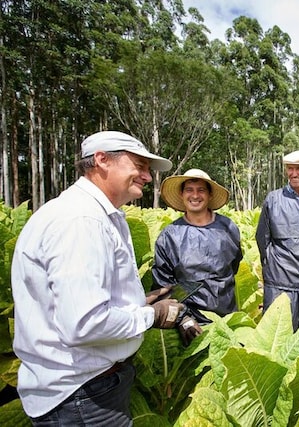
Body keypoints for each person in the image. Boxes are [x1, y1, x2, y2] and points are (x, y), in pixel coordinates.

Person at [11, 130, 185, 426]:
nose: (146, 176)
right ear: (102, 160)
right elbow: (84, 323)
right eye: (139, 166)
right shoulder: (80, 221)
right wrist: (150, 316)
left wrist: (134, 304)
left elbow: (77, 303)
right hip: (81, 398)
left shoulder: (96, 215)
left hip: (86, 390)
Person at [152, 168, 243, 346]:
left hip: (227, 319)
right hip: (189, 324)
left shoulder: (227, 228)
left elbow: (233, 266)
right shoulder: (170, 235)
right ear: (181, 194)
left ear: (209, 195)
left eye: (201, 190)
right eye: (189, 190)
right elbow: (162, 286)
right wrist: (182, 318)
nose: (195, 195)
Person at [256, 150, 299, 331]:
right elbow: (262, 238)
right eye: (290, 169)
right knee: (279, 332)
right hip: (280, 279)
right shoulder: (273, 199)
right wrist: (273, 267)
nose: (294, 174)